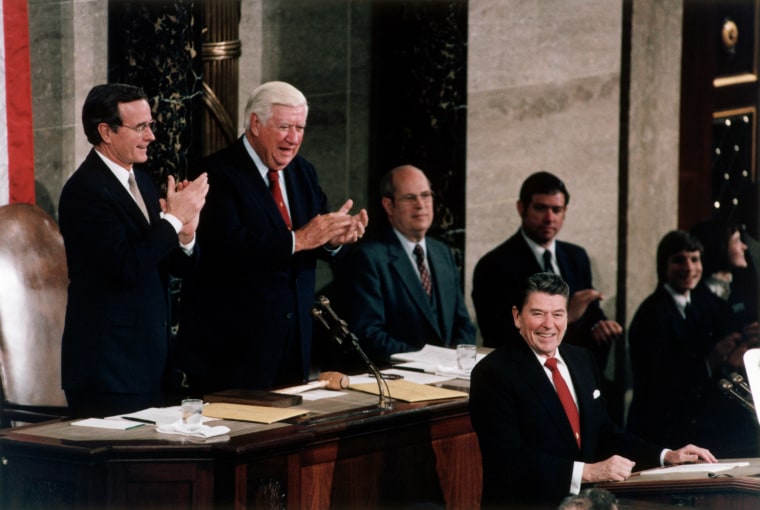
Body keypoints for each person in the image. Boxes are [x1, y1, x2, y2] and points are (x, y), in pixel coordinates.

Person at [469, 272, 716, 510]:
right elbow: (508, 460)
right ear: (517, 317)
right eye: (537, 314)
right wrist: (588, 471)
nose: (549, 325)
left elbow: (605, 433)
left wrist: (666, 455)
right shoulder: (493, 372)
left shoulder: (582, 359)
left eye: (558, 314)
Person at [179, 81, 368, 392]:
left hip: (295, 349)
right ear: (256, 124)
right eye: (284, 127)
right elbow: (226, 249)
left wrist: (334, 240)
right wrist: (299, 240)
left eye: (300, 127)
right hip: (233, 352)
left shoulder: (303, 172)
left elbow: (313, 237)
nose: (293, 139)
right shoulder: (215, 174)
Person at [58, 83, 209, 418]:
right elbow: (124, 267)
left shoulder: (140, 180)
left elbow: (171, 267)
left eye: (150, 125)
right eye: (140, 127)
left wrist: (186, 233)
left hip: (150, 365)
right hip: (108, 372)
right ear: (105, 132)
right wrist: (171, 219)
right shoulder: (84, 191)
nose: (151, 136)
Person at [471, 172, 623, 410]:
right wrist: (567, 316)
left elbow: (590, 312)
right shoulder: (494, 265)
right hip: (524, 381)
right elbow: (496, 334)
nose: (549, 218)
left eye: (557, 209)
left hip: (574, 373)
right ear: (521, 208)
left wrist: (599, 326)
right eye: (541, 208)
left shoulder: (577, 256)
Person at [626, 230, 760, 458]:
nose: (689, 268)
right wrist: (711, 361)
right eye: (679, 260)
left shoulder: (704, 303)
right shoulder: (651, 313)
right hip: (662, 432)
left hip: (698, 426)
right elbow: (659, 382)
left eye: (695, 259)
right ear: (663, 265)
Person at [341, 165, 476, 364]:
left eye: (426, 195)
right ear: (389, 205)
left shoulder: (443, 253)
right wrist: (427, 360)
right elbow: (369, 334)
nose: (420, 205)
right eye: (409, 198)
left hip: (450, 376)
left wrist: (456, 363)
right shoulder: (369, 257)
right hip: (400, 380)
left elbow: (463, 324)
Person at [690, 217, 758, 328]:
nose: (744, 247)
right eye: (737, 240)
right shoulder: (696, 297)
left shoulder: (740, 290)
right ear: (720, 246)